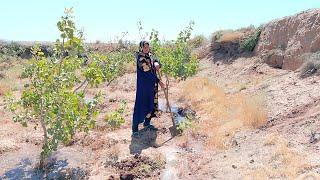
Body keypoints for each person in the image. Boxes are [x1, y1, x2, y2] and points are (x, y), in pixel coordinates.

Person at [132, 40, 165, 138]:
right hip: (144, 87)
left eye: (147, 47)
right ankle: (135, 129)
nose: (146, 49)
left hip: (152, 86)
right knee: (141, 104)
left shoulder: (150, 55)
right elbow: (148, 73)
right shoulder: (140, 58)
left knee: (151, 103)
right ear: (141, 48)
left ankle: (147, 123)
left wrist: (156, 63)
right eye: (144, 47)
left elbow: (155, 60)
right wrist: (159, 81)